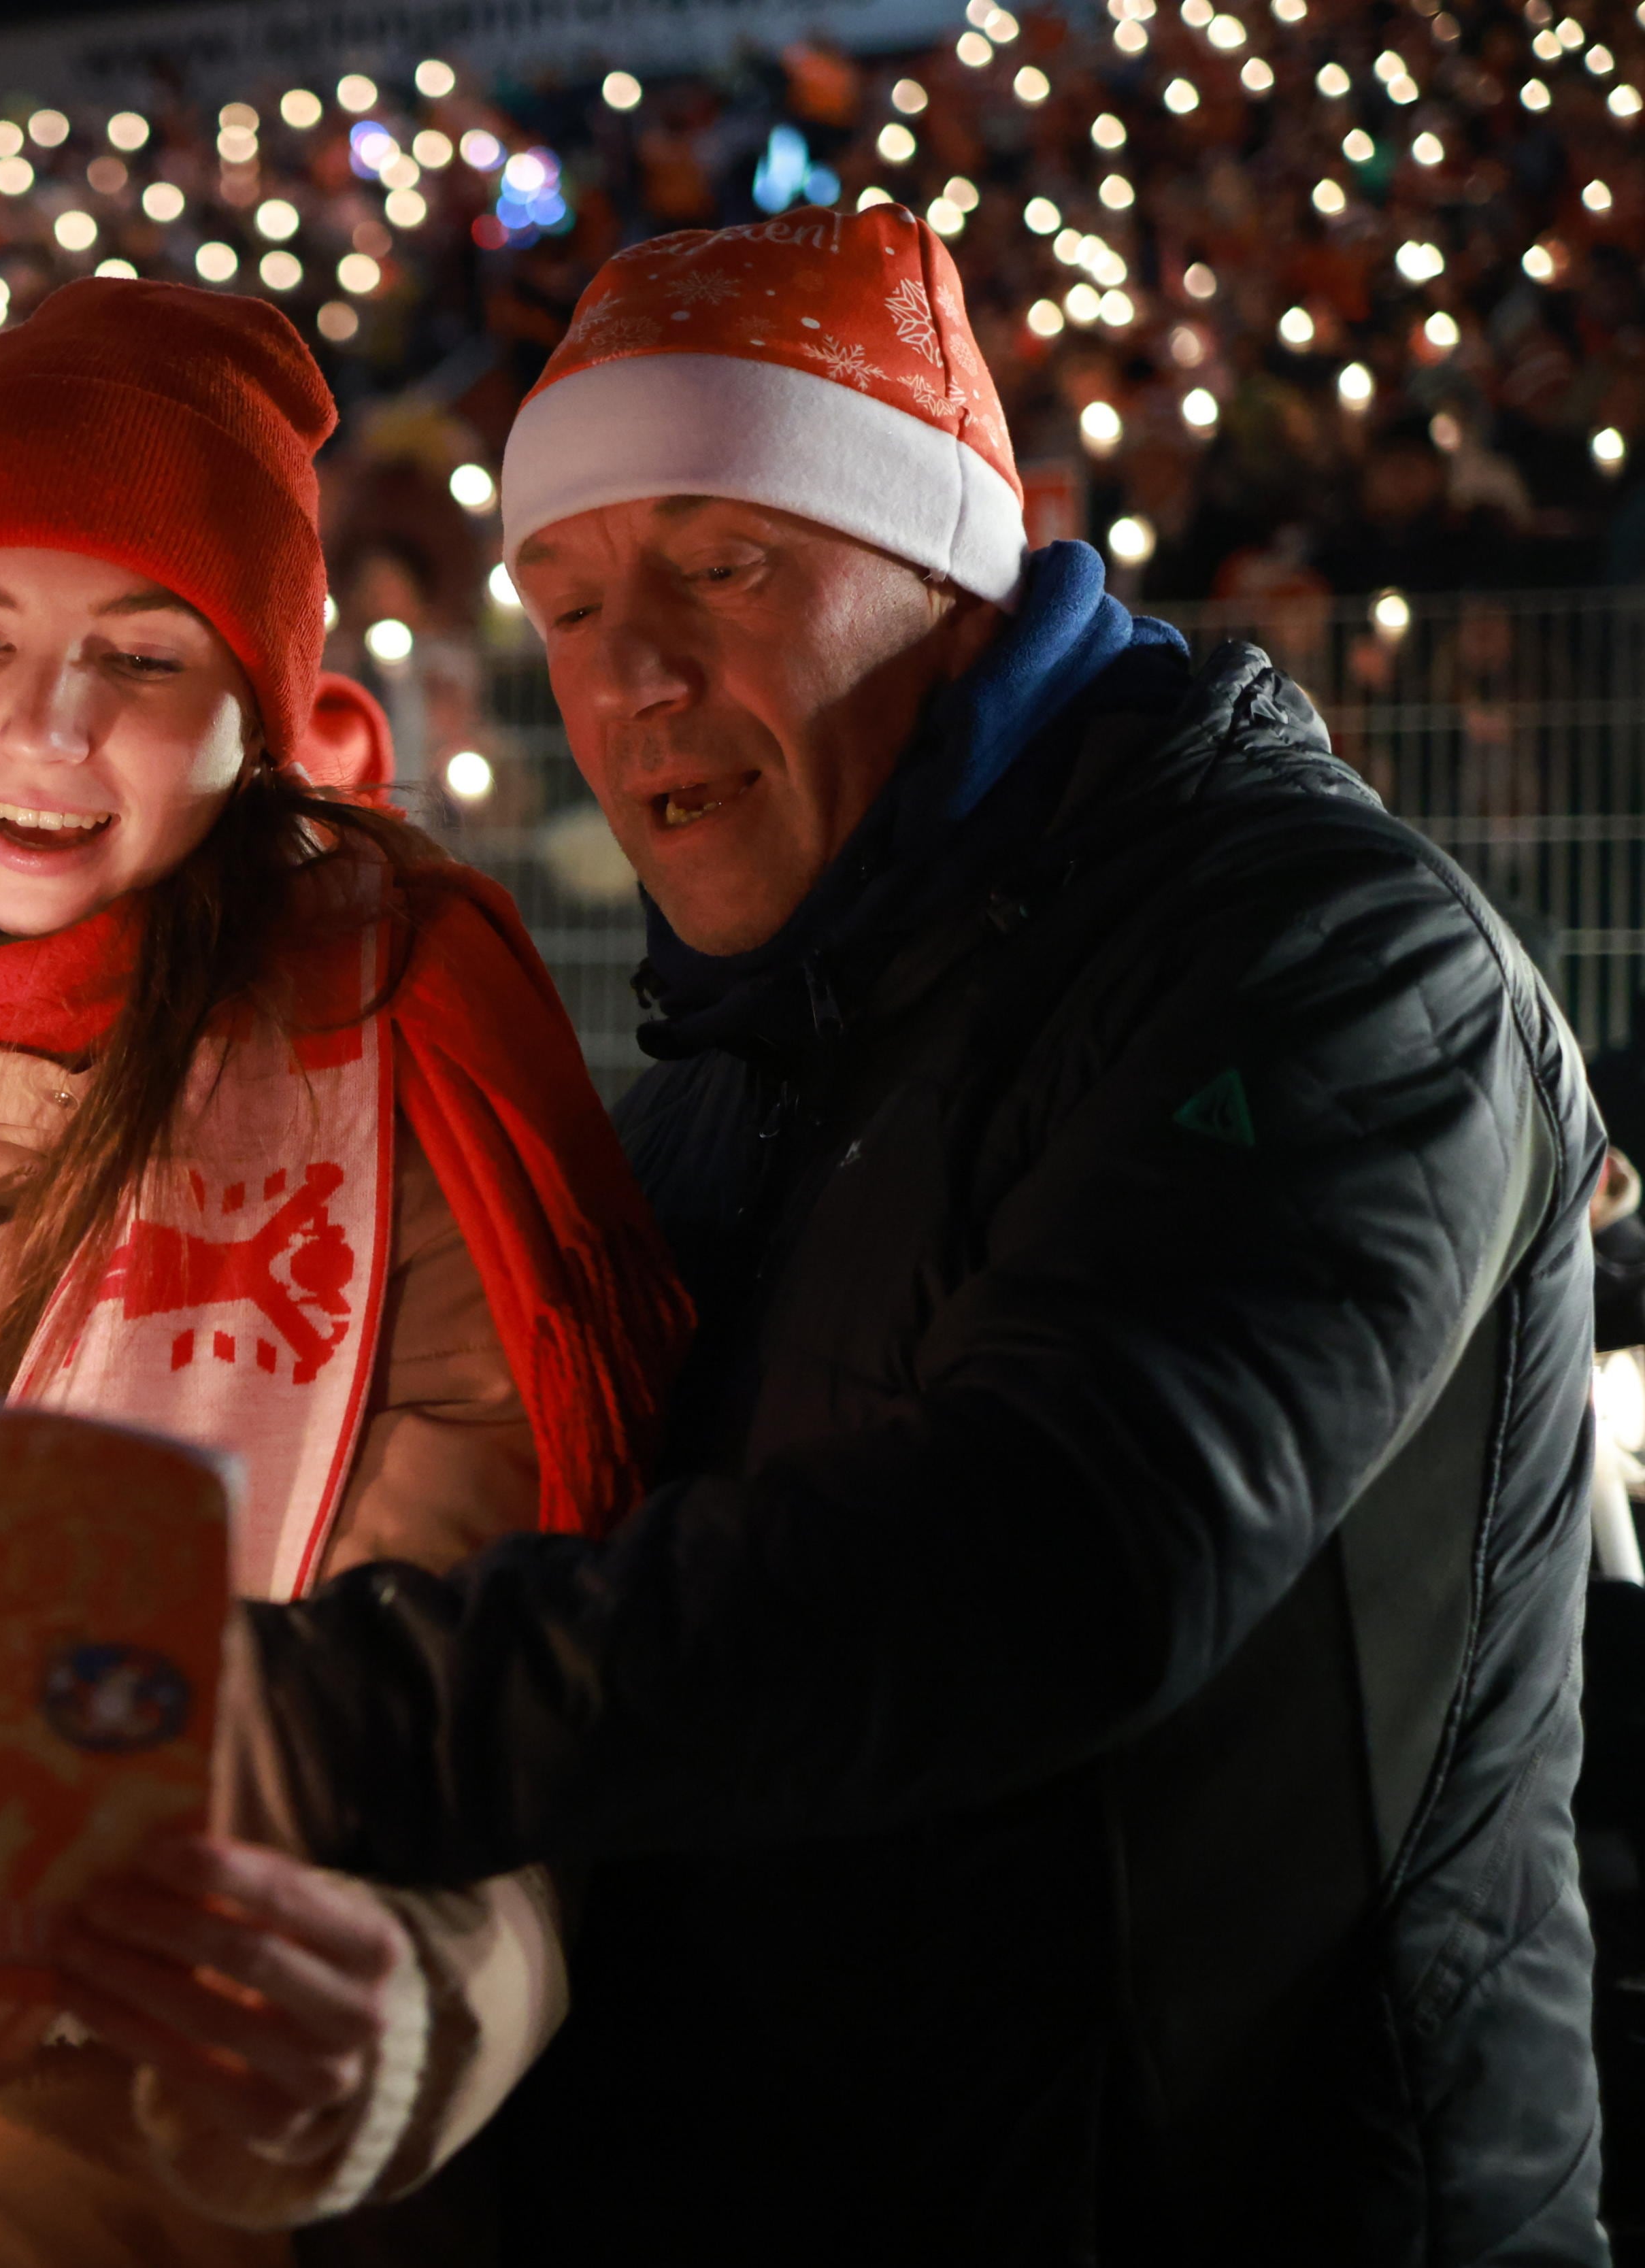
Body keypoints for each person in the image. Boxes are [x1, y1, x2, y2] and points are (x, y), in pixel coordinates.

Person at [230, 204, 1607, 2259]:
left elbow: (1048, 1556)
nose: (635, 676)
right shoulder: (729, 1074)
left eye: (725, 566)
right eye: (571, 602)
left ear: (953, 581)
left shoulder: (1324, 966)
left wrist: (268, 1714)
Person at [0, 278, 689, 2264]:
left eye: (137, 657)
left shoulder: (395, 1051)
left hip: (147, 2138)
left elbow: (492, 1690)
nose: (43, 727)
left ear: (259, 703)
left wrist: (401, 2024)